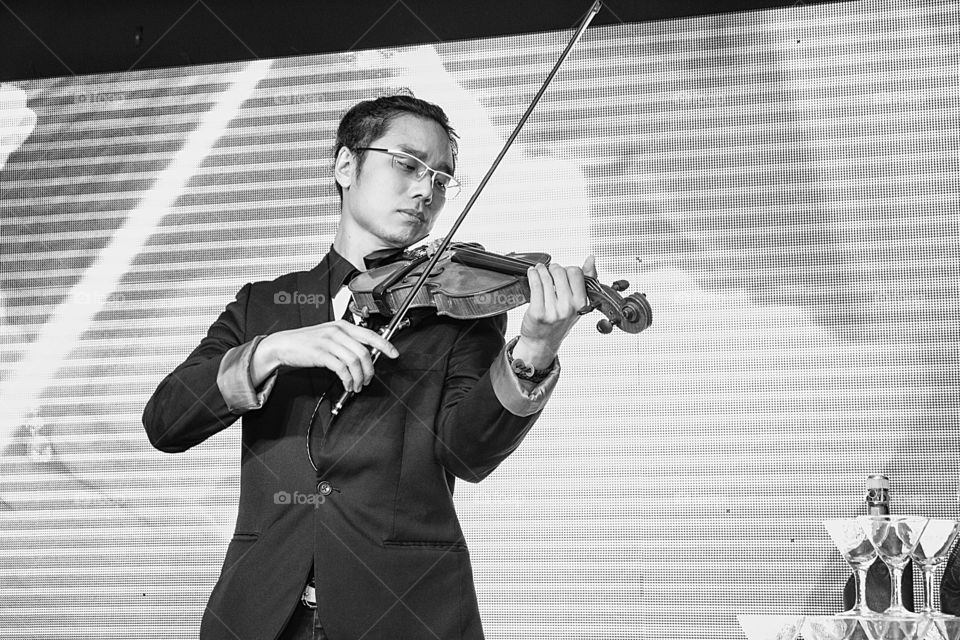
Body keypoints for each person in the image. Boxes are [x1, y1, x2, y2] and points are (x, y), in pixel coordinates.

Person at [143, 94, 595, 640]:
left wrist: (536, 349)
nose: (427, 189)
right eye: (407, 165)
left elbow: (469, 455)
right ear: (345, 165)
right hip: (259, 616)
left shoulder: (458, 309)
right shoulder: (263, 306)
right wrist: (271, 351)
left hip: (407, 615)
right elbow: (166, 422)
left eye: (442, 178)